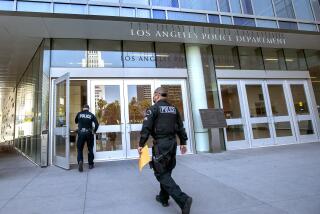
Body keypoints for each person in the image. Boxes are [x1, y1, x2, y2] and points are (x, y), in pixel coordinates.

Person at [138, 87, 192, 214]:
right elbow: (180, 127)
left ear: (157, 95)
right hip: (172, 144)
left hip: (161, 145)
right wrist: (183, 142)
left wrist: (141, 144)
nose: (153, 98)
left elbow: (146, 127)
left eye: (153, 95)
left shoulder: (153, 109)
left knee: (160, 173)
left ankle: (183, 199)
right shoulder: (174, 109)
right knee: (166, 171)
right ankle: (163, 197)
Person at [75, 104, 99, 172]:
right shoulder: (91, 114)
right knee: (90, 148)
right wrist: (94, 131)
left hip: (81, 133)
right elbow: (97, 124)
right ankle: (90, 164)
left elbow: (76, 121)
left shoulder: (79, 114)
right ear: (88, 109)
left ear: (83, 108)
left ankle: (80, 161)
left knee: (80, 149)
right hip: (89, 133)